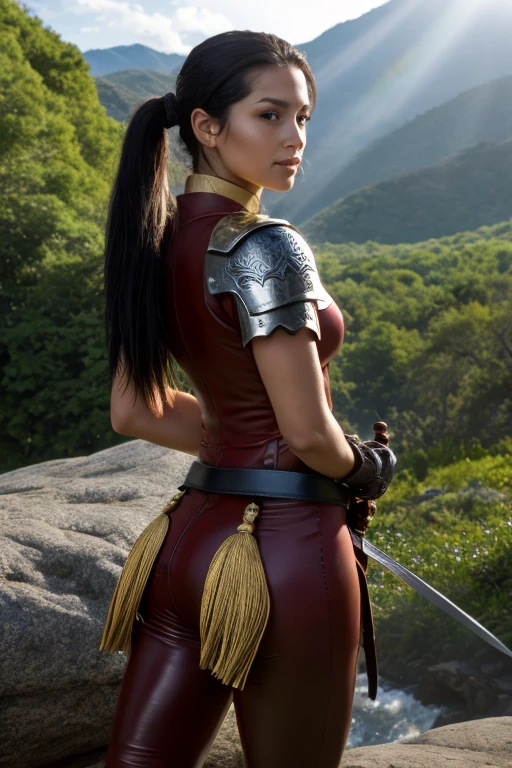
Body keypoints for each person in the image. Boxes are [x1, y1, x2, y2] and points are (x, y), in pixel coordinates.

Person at [101, 29, 392, 768]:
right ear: (206, 126)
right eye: (270, 115)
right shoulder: (264, 246)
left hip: (184, 544)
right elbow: (305, 431)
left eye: (303, 118)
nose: (294, 137)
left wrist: (237, 437)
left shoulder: (155, 242)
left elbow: (135, 411)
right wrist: (363, 465)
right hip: (288, 554)